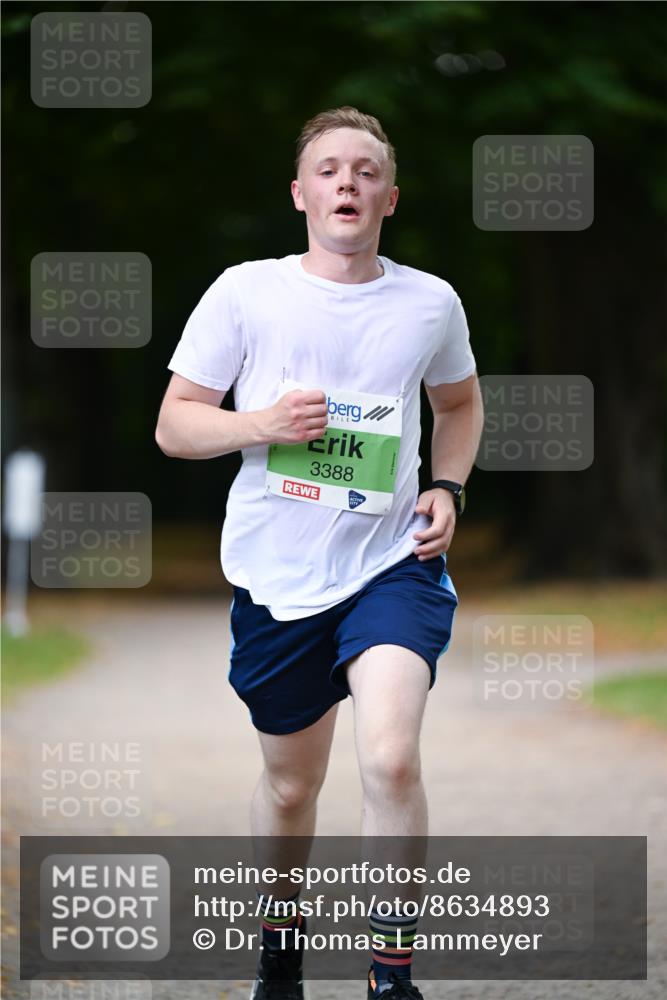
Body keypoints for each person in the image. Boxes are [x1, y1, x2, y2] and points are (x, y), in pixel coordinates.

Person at [156, 106, 483, 1000]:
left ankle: (390, 976)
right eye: (329, 170)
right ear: (300, 194)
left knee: (390, 758)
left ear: (389, 198)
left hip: (392, 564)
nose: (348, 182)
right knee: (291, 789)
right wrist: (261, 424)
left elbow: (457, 405)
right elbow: (175, 425)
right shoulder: (245, 292)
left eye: (366, 171)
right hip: (278, 575)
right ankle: (280, 952)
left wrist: (447, 487)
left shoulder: (429, 302)